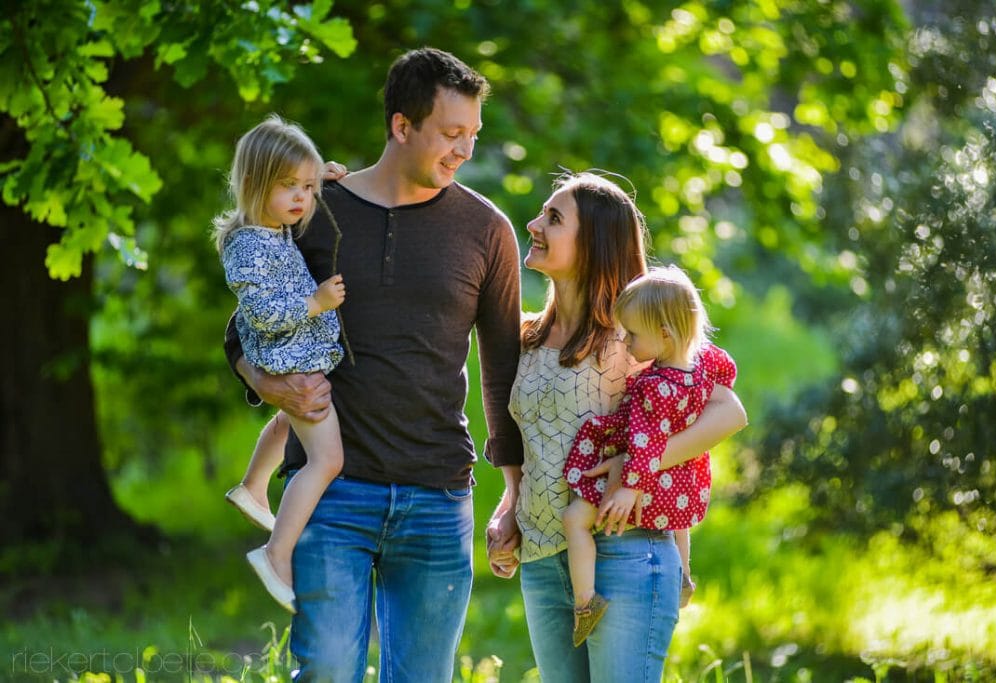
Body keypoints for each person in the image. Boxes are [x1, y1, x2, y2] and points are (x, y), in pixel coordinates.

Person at [223, 48, 522, 683]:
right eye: (450, 133)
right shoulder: (316, 210)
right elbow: (246, 321)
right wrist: (268, 383)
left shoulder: (486, 230)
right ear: (401, 125)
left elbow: (502, 366)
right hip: (333, 491)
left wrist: (514, 492)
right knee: (328, 671)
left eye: (473, 134)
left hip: (439, 492)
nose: (464, 149)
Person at [486, 171, 747, 682]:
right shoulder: (528, 336)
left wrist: (636, 464)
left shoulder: (637, 335)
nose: (534, 224)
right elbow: (535, 441)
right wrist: (509, 506)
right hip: (543, 557)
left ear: (595, 244)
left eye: (554, 218)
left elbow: (728, 412)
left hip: (624, 548)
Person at [561, 266, 738, 646]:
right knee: (678, 522)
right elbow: (727, 368)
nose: (625, 342)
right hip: (681, 481)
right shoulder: (701, 370)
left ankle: (584, 602)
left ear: (664, 335)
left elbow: (644, 442)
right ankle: (684, 576)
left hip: (647, 483)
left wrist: (628, 487)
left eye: (632, 335)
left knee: (575, 518)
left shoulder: (653, 389)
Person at [214, 115, 348, 614]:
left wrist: (324, 182)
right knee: (326, 459)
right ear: (253, 185)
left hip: (298, 355)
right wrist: (315, 302)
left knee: (285, 421)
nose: (301, 199)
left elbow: (302, 201)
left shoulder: (272, 228)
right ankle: (277, 554)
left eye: (307, 188)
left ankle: (253, 486)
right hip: (293, 361)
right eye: (289, 186)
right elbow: (265, 315)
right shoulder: (249, 244)